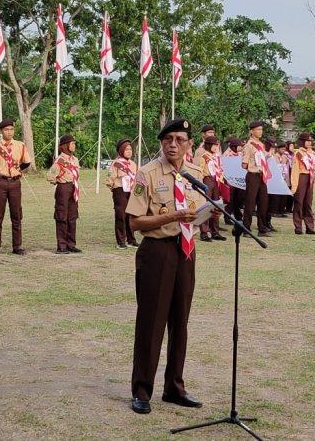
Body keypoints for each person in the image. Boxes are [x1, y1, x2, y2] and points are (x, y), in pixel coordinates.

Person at [126, 118, 205, 415]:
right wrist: (171, 217)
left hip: (186, 250)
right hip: (157, 251)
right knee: (151, 322)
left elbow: (197, 211)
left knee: (180, 322)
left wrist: (204, 215)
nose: (173, 144)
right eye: (167, 139)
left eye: (179, 139)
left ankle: (174, 387)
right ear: (161, 142)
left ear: (189, 144)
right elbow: (134, 221)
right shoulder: (146, 173)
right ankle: (142, 390)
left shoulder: (194, 173)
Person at [0, 118, 31, 255]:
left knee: (16, 215)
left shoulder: (20, 145)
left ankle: (17, 246)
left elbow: (26, 162)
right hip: (0, 183)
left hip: (15, 182)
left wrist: (15, 170)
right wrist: (0, 171)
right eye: (6, 130)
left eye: (11, 129)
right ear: (0, 131)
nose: (9, 132)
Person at [46, 134, 81, 253]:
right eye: (72, 143)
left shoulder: (74, 160)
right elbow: (50, 176)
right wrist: (59, 183)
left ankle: (71, 244)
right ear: (66, 146)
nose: (74, 145)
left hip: (73, 187)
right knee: (62, 216)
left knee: (72, 216)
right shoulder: (60, 161)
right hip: (63, 188)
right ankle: (61, 245)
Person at [106, 139, 139, 249]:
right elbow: (110, 178)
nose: (129, 151)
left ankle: (131, 239)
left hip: (131, 191)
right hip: (120, 190)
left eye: (130, 149)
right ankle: (121, 241)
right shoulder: (116, 163)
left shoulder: (133, 164)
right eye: (126, 149)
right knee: (121, 215)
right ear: (121, 150)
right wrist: (115, 189)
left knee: (130, 215)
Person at [241, 121, 271, 236]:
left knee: (263, 202)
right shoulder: (249, 145)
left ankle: (262, 228)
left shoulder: (261, 145)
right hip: (252, 175)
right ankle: (246, 228)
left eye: (261, 129)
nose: (260, 132)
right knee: (250, 203)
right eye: (258, 130)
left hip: (261, 175)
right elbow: (244, 163)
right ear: (251, 131)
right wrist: (253, 167)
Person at [290, 132, 315, 235]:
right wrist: (294, 185)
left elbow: (313, 168)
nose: (309, 143)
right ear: (302, 142)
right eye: (307, 141)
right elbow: (295, 170)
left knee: (308, 203)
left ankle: (310, 227)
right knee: (299, 202)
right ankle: (298, 227)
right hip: (301, 177)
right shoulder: (298, 153)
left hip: (309, 178)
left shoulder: (311, 153)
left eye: (310, 141)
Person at [199, 135, 227, 241]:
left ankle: (215, 231)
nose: (216, 147)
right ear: (208, 145)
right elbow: (200, 171)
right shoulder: (204, 156)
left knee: (217, 206)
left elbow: (220, 169)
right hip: (207, 180)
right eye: (214, 145)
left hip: (216, 181)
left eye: (217, 145)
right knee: (206, 206)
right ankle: (204, 232)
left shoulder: (216, 157)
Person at [223, 138, 244, 222]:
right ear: (235, 146)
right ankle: (227, 217)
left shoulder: (239, 154)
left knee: (237, 199)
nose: (241, 148)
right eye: (240, 146)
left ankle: (238, 216)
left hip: (238, 180)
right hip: (230, 180)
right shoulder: (227, 155)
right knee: (229, 200)